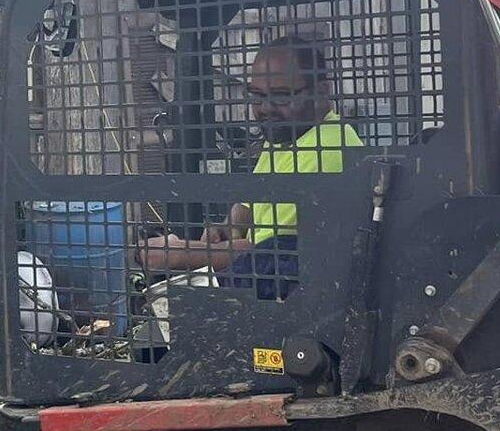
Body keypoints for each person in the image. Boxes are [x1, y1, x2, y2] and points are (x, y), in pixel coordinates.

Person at [140, 36, 363, 282]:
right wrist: (225, 228)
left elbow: (271, 254)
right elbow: (247, 206)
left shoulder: (329, 147)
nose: (265, 108)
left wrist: (181, 254)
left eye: (280, 96)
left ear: (321, 91)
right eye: (257, 96)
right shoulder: (287, 133)